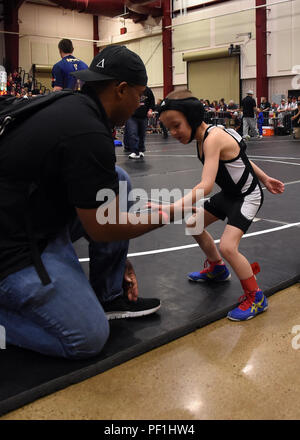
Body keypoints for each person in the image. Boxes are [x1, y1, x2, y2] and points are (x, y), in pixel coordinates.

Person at [0, 45, 168, 360]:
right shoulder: (87, 131)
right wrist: (169, 213)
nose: (139, 104)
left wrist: (118, 262)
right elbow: (103, 228)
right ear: (121, 90)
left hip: (28, 215)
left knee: (118, 180)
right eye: (139, 95)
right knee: (86, 337)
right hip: (14, 247)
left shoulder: (68, 104)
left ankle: (109, 294)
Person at [156, 89, 284, 321]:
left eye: (176, 126)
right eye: (169, 128)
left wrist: (173, 208)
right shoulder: (207, 135)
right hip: (230, 194)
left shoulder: (212, 138)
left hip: (247, 196)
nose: (173, 133)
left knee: (228, 246)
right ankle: (217, 269)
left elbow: (206, 186)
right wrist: (265, 177)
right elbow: (241, 158)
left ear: (193, 118)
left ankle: (256, 297)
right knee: (194, 224)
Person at [123, 85, 155, 159]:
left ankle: (141, 150)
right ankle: (134, 151)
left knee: (142, 134)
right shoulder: (131, 89)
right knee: (132, 133)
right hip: (132, 116)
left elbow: (152, 102)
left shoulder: (148, 90)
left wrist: (150, 110)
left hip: (143, 116)